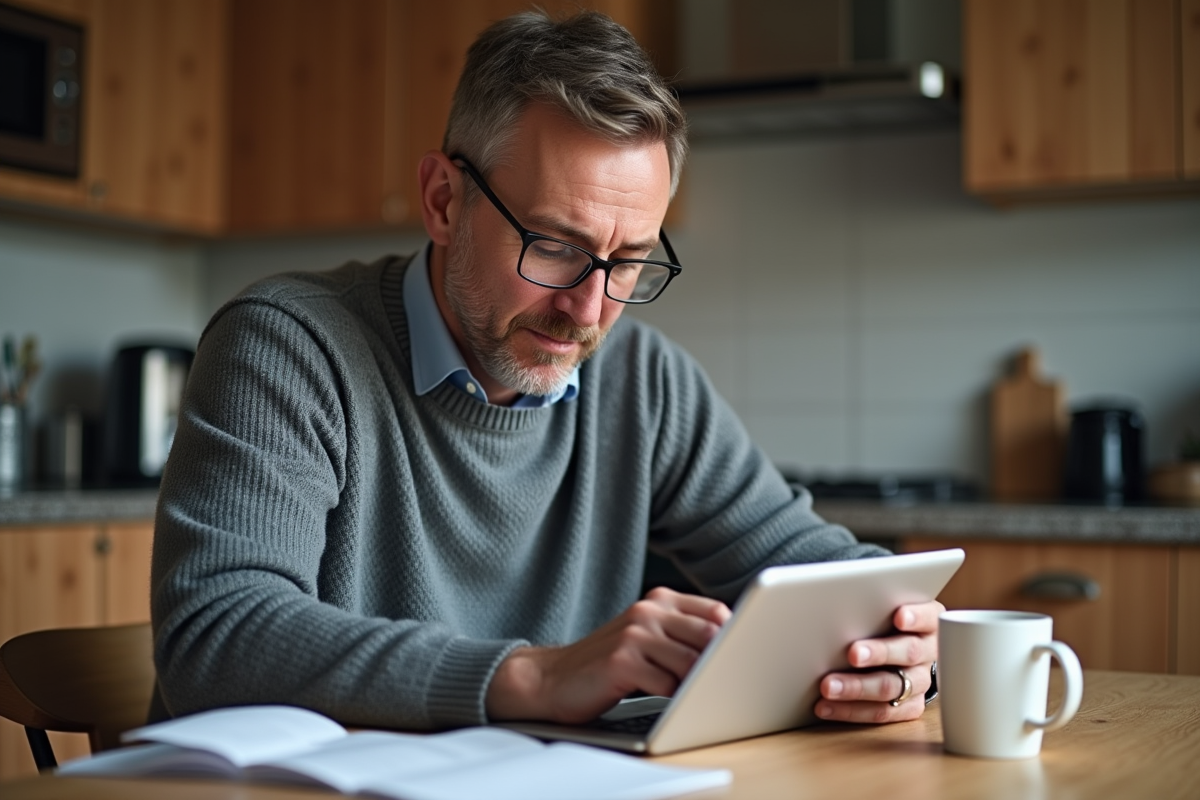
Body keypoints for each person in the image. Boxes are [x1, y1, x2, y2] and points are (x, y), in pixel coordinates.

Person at [149, 10, 940, 731]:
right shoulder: (288, 349)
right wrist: (532, 675)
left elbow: (816, 569)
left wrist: (902, 648)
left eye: (628, 261)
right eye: (555, 246)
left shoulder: (644, 381)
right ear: (443, 201)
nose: (589, 309)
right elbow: (216, 635)